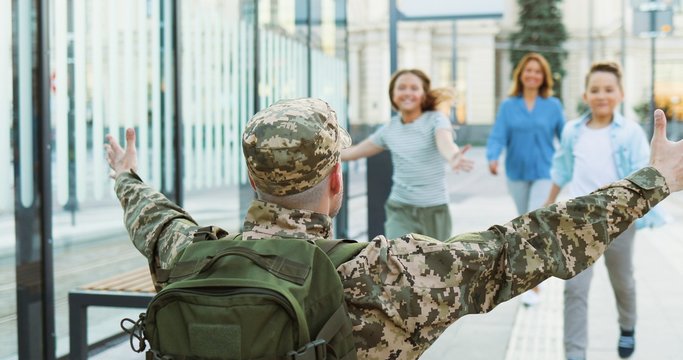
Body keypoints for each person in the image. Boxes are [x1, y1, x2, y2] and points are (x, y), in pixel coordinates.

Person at [106, 98, 679, 360]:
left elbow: (153, 218)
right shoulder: (392, 271)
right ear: (337, 179)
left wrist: (127, 176)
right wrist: (652, 181)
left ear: (254, 181)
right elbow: (531, 243)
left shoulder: (188, 256)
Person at [544, 62, 659, 360]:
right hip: (578, 223)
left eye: (608, 90)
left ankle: (628, 326)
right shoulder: (573, 131)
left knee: (622, 280)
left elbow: (641, 175)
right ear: (585, 95)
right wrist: (547, 207)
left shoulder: (630, 132)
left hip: (619, 220)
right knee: (575, 291)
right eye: (595, 90)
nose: (601, 95)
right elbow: (561, 170)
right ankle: (575, 354)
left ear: (620, 94)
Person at [341, 69, 472, 240]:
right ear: (393, 94)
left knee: (435, 265)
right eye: (401, 88)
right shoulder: (389, 130)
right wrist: (320, 154)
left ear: (423, 95)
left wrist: (454, 156)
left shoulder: (436, 119)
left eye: (414, 88)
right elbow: (355, 152)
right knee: (399, 261)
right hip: (400, 209)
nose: (407, 93)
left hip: (435, 210)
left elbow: (445, 141)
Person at [486, 52, 566, 306]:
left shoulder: (553, 105)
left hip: (544, 172)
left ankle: (534, 284)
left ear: (543, 77)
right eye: (528, 70)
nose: (532, 75)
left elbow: (566, 137)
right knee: (523, 226)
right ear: (521, 74)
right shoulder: (509, 105)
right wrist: (492, 156)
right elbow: (498, 135)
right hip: (516, 174)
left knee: (533, 222)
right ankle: (529, 279)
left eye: (537, 71)